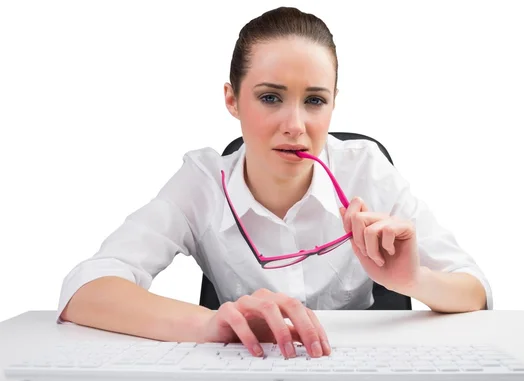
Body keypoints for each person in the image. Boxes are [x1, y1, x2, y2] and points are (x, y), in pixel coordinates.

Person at [58, 6, 492, 360]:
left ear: (333, 104)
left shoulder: (365, 170)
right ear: (232, 99)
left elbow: (473, 289)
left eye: (315, 101)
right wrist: (211, 323)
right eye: (270, 97)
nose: (296, 125)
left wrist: (414, 279)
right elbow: (85, 289)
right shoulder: (203, 183)